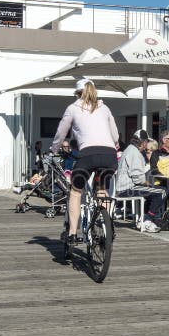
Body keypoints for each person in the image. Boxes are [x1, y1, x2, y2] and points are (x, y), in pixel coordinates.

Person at [50, 79, 119, 244]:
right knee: (102, 190)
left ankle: (73, 233)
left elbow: (61, 133)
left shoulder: (73, 108)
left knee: (75, 192)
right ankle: (106, 227)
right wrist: (114, 144)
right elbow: (115, 135)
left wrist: (53, 149)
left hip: (88, 155)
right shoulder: (105, 107)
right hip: (109, 156)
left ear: (77, 93)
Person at [115, 129, 167, 232]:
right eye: (146, 142)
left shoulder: (129, 149)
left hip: (123, 188)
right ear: (142, 142)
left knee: (155, 191)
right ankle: (146, 220)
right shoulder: (135, 153)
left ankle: (147, 218)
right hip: (127, 189)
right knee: (162, 191)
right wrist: (146, 183)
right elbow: (138, 177)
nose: (146, 144)